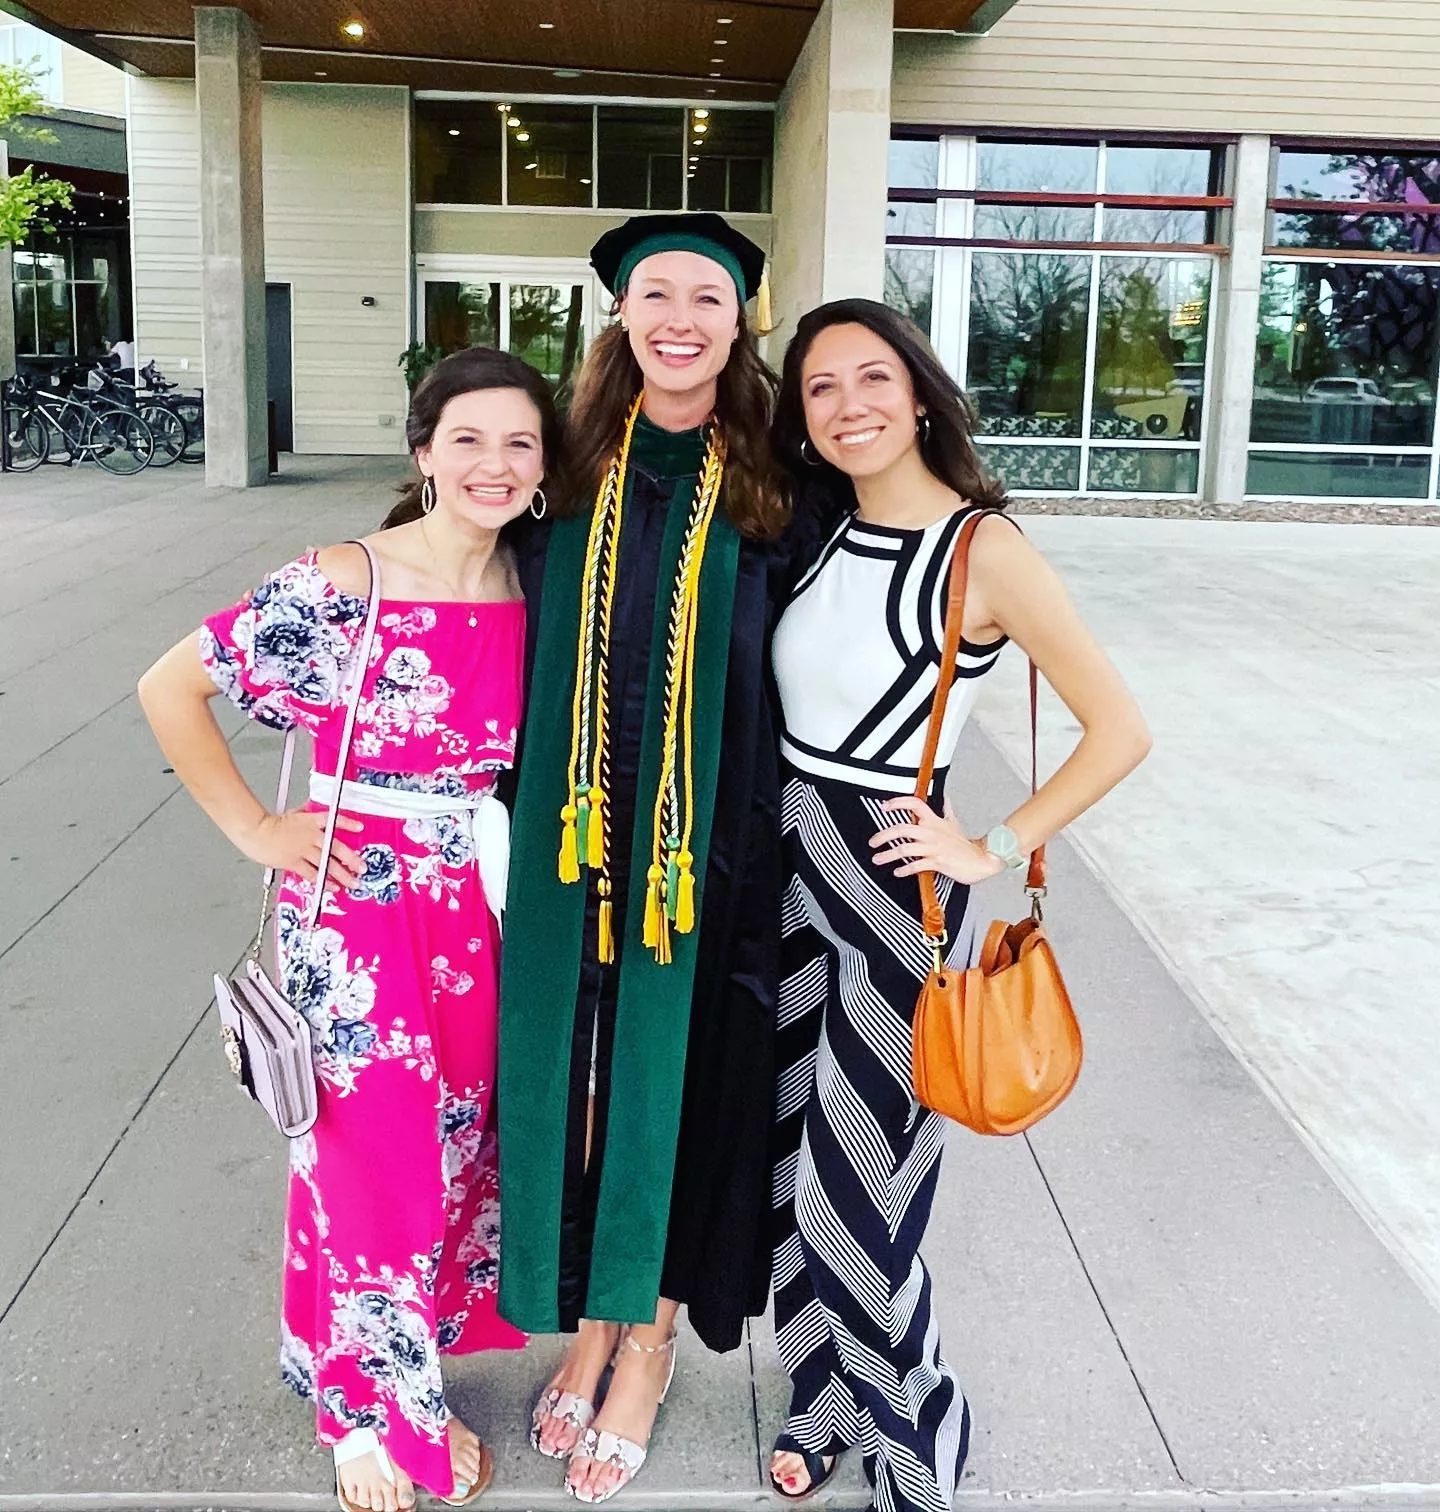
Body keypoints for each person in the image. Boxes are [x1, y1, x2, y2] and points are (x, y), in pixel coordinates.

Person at [137, 347, 563, 1512]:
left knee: (448, 1149)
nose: (494, 463)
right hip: (356, 910)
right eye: (467, 439)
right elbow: (171, 685)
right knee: (372, 1157)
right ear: (424, 453)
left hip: (472, 906)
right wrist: (255, 829)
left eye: (519, 442)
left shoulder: (531, 582)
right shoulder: (346, 579)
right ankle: (367, 1416)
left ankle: (362, 1357)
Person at [764, 299, 1152, 1512]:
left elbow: (1121, 729)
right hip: (789, 867)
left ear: (921, 391)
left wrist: (994, 842)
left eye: (871, 378)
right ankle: (824, 1402)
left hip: (893, 882)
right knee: (788, 1165)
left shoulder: (981, 550)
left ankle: (919, 1439)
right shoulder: (825, 524)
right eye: (820, 389)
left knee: (859, 1196)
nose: (847, 407)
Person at [498, 212, 788, 1504]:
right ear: (620, 313)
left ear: (741, 322)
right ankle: (596, 1316)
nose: (679, 317)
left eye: (707, 298)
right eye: (654, 294)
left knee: (690, 1080)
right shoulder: (557, 473)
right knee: (583, 1075)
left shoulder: (788, 479)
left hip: (714, 843)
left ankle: (651, 1336)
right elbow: (445, 571)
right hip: (568, 832)